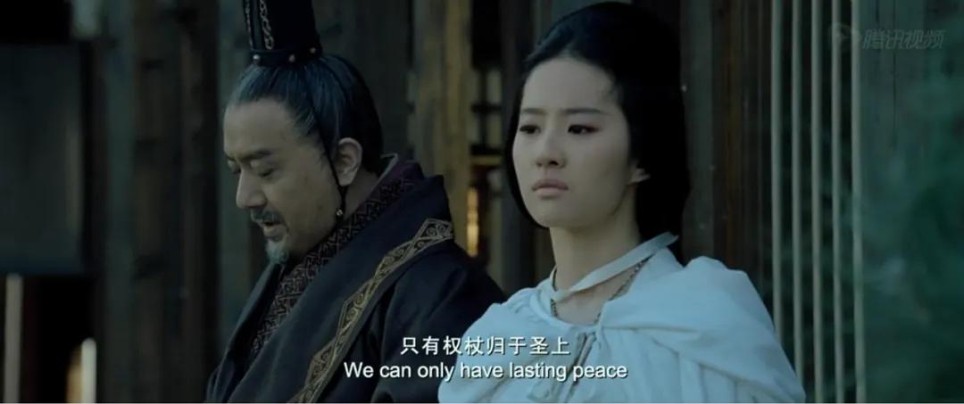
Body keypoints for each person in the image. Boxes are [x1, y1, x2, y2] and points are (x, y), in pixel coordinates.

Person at [438, 2, 804, 402]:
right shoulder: (500, 335)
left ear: (642, 155)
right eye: (530, 128)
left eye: (579, 128)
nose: (545, 152)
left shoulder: (704, 324)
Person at [205, 0, 505, 402]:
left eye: (266, 170)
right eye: (236, 170)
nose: (245, 197)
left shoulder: (442, 295)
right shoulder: (296, 267)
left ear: (344, 161)